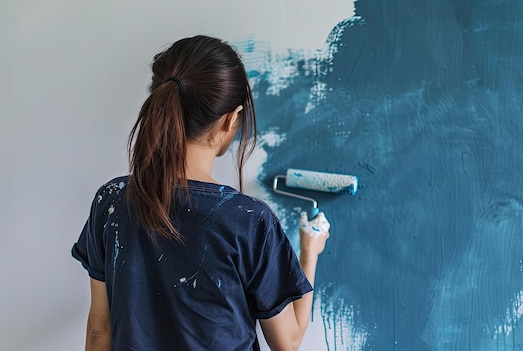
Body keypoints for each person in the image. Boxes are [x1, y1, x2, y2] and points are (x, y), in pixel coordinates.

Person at [71, 35, 330, 351]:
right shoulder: (250, 220)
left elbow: (100, 331)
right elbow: (287, 342)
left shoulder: (110, 201)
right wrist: (309, 253)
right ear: (231, 119)